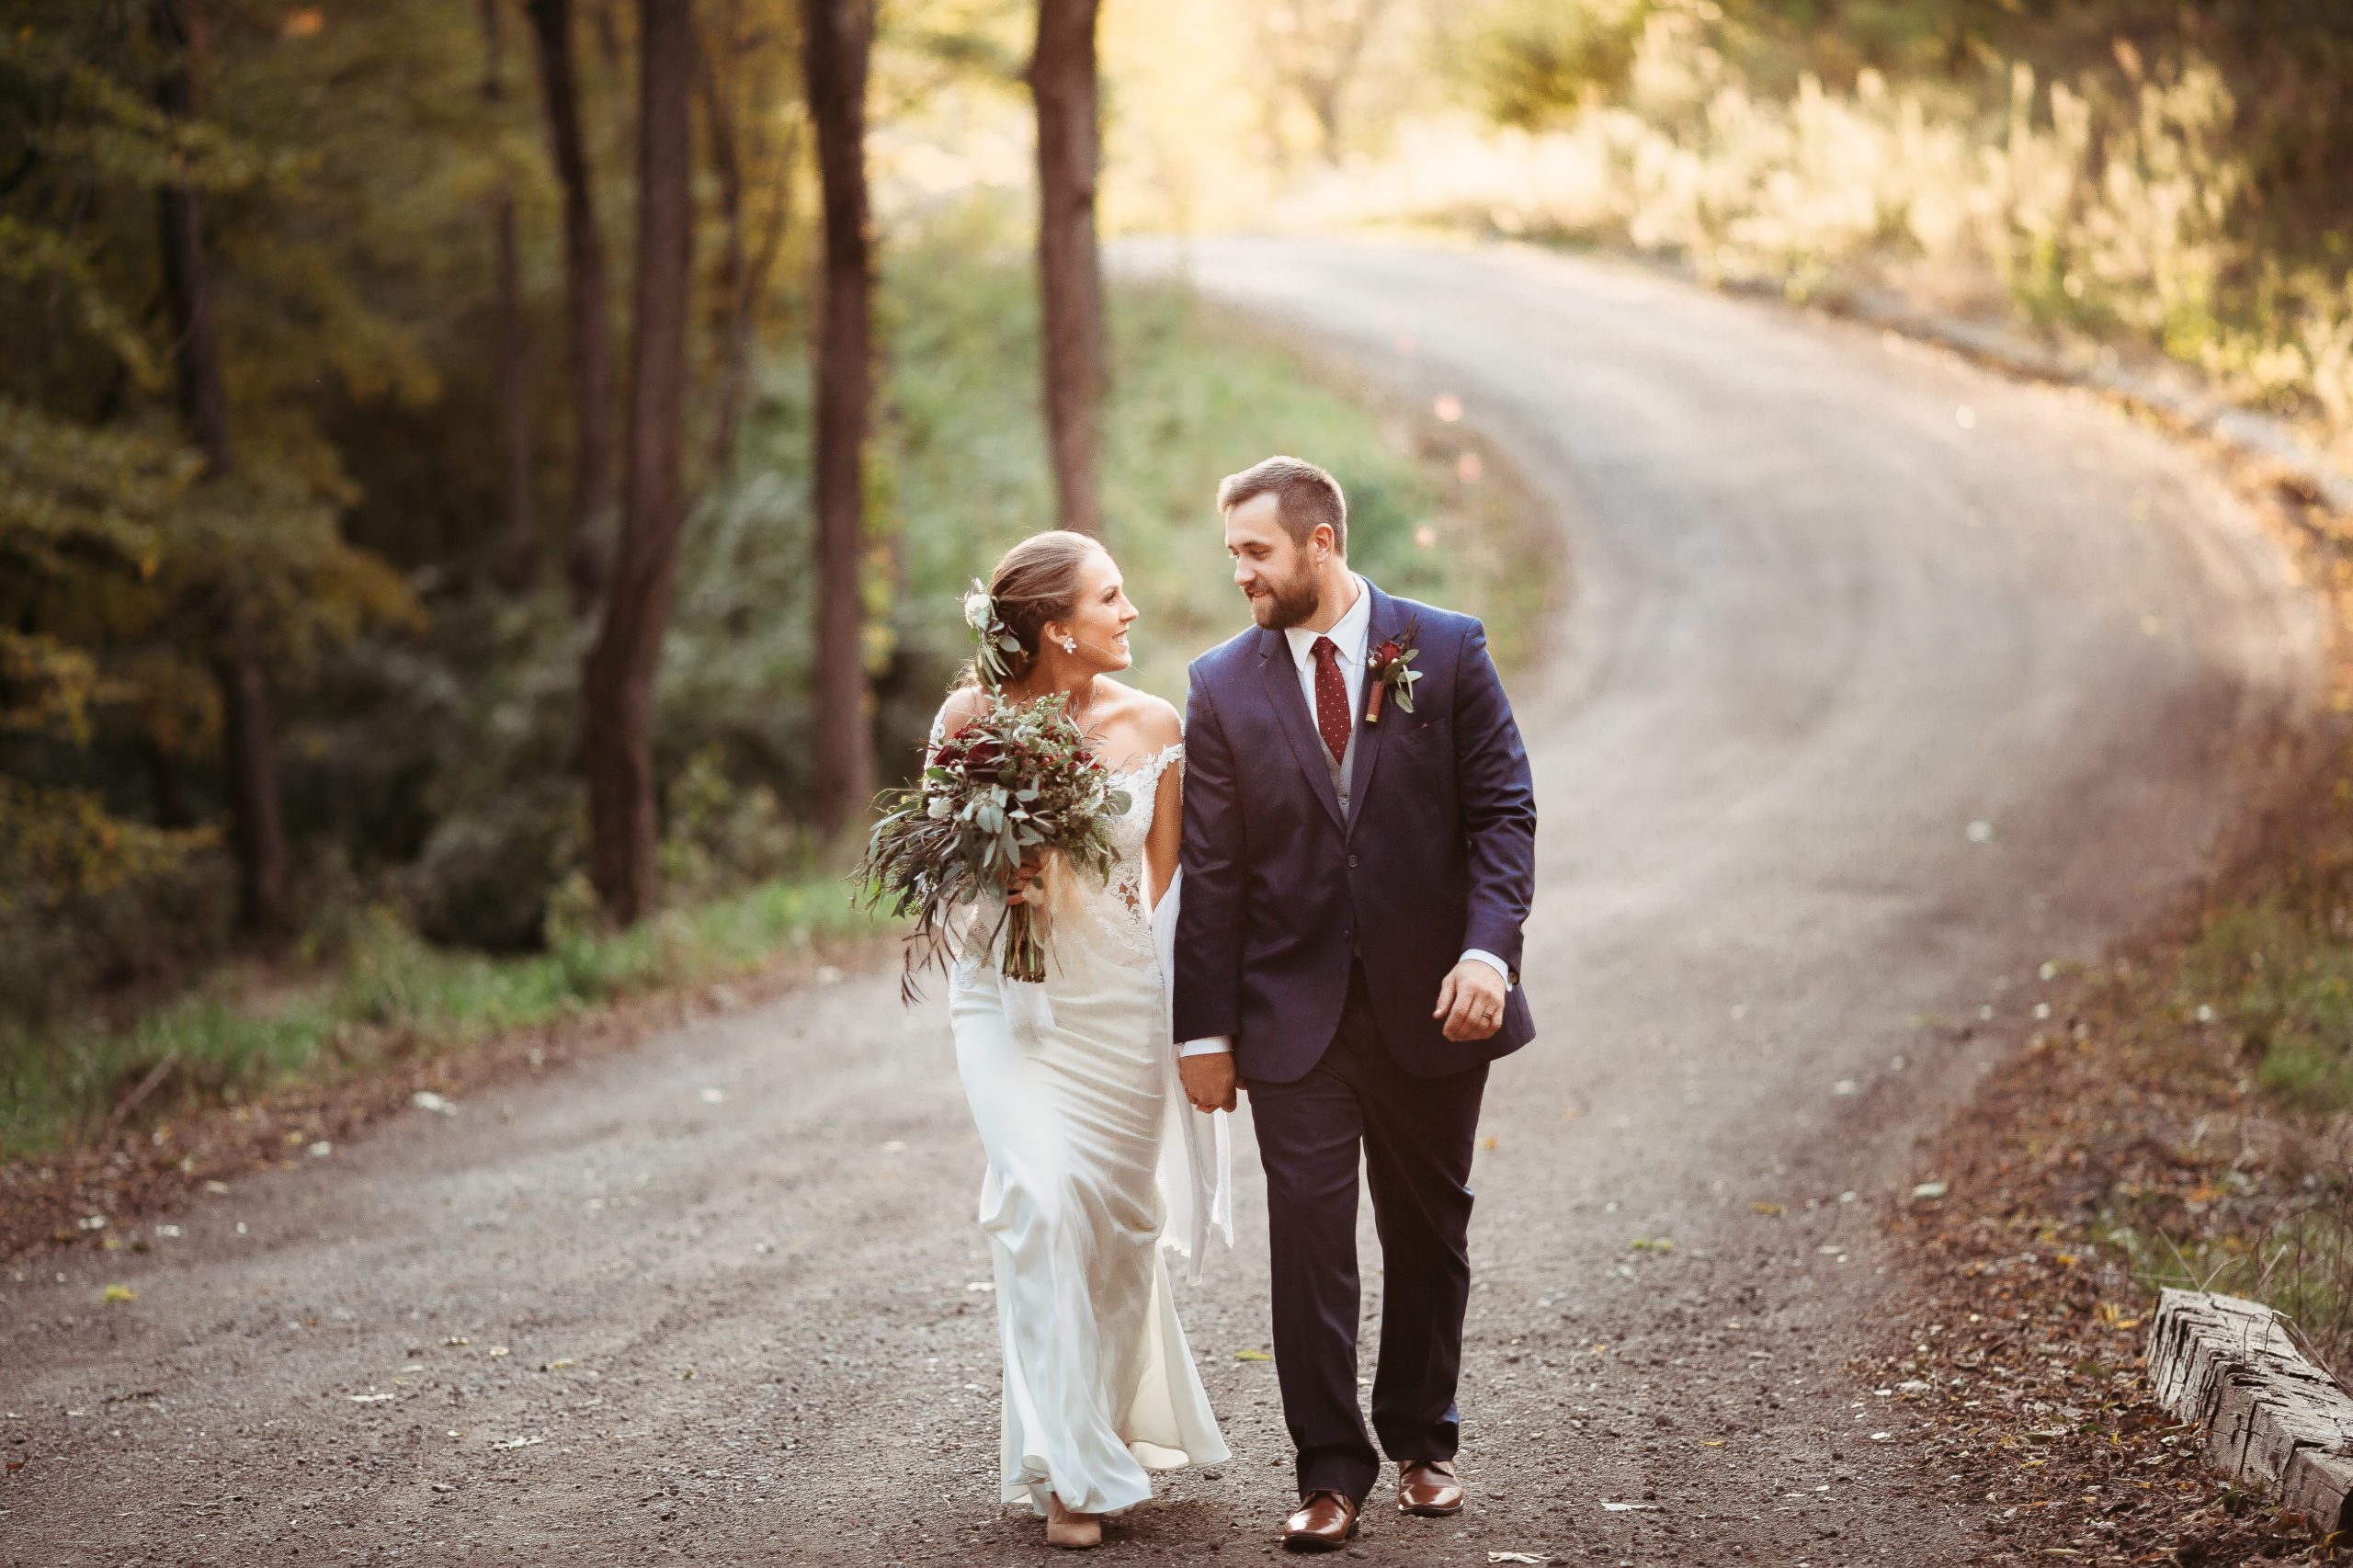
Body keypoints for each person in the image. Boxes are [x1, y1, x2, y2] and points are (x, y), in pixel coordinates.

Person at [1172, 456, 1538, 1552]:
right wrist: (1202, 1029)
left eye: (1256, 551)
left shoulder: (1447, 647)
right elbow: (1215, 872)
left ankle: (1425, 1440)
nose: (1239, 571)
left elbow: (1504, 816)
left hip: (1435, 1004)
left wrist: (1487, 952)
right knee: (1310, 1242)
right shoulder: (1221, 683)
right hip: (1291, 1013)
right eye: (1232, 551)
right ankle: (1329, 1470)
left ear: (1320, 542)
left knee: (1429, 1232)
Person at [931, 529, 1231, 1551]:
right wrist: (1002, 885)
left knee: (1118, 1225)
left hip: (1116, 1005)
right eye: (1112, 596)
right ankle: (1068, 1472)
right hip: (1003, 999)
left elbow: (1164, 885)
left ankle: (1099, 1420)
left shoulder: (1154, 723)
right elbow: (937, 870)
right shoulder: (970, 717)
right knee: (1038, 1200)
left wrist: (1199, 1025)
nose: (1129, 611)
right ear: (1057, 628)